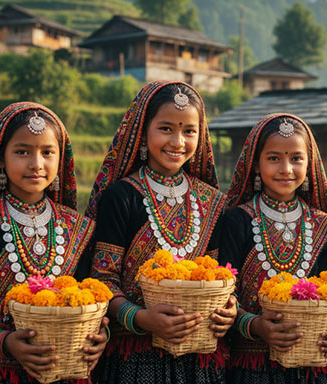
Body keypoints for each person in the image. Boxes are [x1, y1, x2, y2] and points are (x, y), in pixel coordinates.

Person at [0, 102, 107, 384]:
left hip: (65, 371)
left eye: (47, 152)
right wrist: (3, 342)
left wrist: (101, 334)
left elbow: (93, 297)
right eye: (22, 152)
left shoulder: (77, 227)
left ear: (60, 159)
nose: (36, 164)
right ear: (0, 158)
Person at [84, 81, 238, 384]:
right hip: (134, 356)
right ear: (143, 132)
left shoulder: (213, 202)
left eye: (189, 131)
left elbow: (220, 276)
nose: (178, 142)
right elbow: (102, 279)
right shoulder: (120, 197)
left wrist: (229, 308)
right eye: (166, 129)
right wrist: (140, 318)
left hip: (200, 357)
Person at [215, 113, 327, 384]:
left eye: (296, 158)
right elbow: (223, 293)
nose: (286, 169)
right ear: (256, 164)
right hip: (251, 368)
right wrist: (254, 325)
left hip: (314, 367)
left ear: (309, 164)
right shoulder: (236, 221)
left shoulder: (324, 226)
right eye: (274, 158)